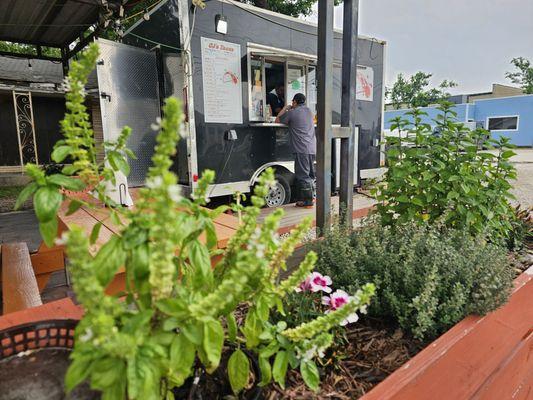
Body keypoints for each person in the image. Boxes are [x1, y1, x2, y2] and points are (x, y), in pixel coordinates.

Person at [276, 93, 316, 208]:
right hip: (311, 148)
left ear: (294, 102)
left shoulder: (292, 113)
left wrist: (285, 108)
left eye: (292, 102)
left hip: (301, 148)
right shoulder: (309, 111)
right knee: (310, 175)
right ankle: (310, 197)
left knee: (303, 175)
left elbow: (277, 121)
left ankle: (308, 202)